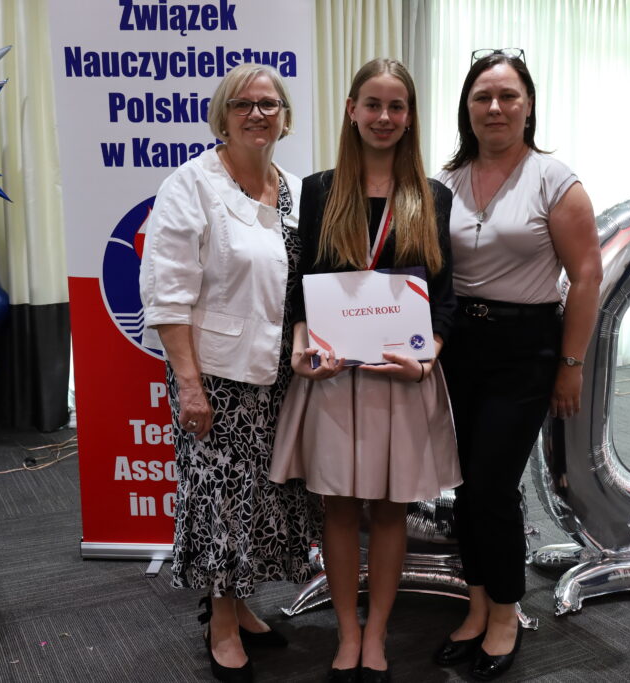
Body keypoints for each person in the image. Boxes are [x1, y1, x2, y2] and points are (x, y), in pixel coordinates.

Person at [269, 58, 459, 683]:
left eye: (396, 106)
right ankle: (346, 631)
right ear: (351, 110)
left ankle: (376, 632)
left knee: (390, 509)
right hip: (334, 376)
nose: (384, 117)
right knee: (340, 508)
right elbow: (302, 285)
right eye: (372, 104)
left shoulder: (432, 197)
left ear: (410, 116)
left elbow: (445, 296)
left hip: (402, 378)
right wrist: (301, 344)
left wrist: (428, 355)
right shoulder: (320, 191)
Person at [138, 63, 320, 683]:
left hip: (281, 374)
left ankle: (242, 608)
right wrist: (189, 386)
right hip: (214, 376)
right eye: (243, 104)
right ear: (222, 115)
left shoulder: (297, 190)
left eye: (269, 104)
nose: (257, 114)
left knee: (264, 496)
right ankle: (220, 623)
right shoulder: (190, 185)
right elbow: (166, 295)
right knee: (220, 499)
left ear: (285, 117)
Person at [433, 49, 602, 681]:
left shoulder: (554, 179)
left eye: (508, 96)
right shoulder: (446, 180)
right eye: (483, 96)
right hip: (457, 346)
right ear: (467, 108)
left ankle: (505, 611)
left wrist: (571, 364)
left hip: (525, 347)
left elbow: (586, 275)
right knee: (464, 483)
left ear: (528, 106)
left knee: (493, 484)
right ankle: (476, 603)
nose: (495, 107)